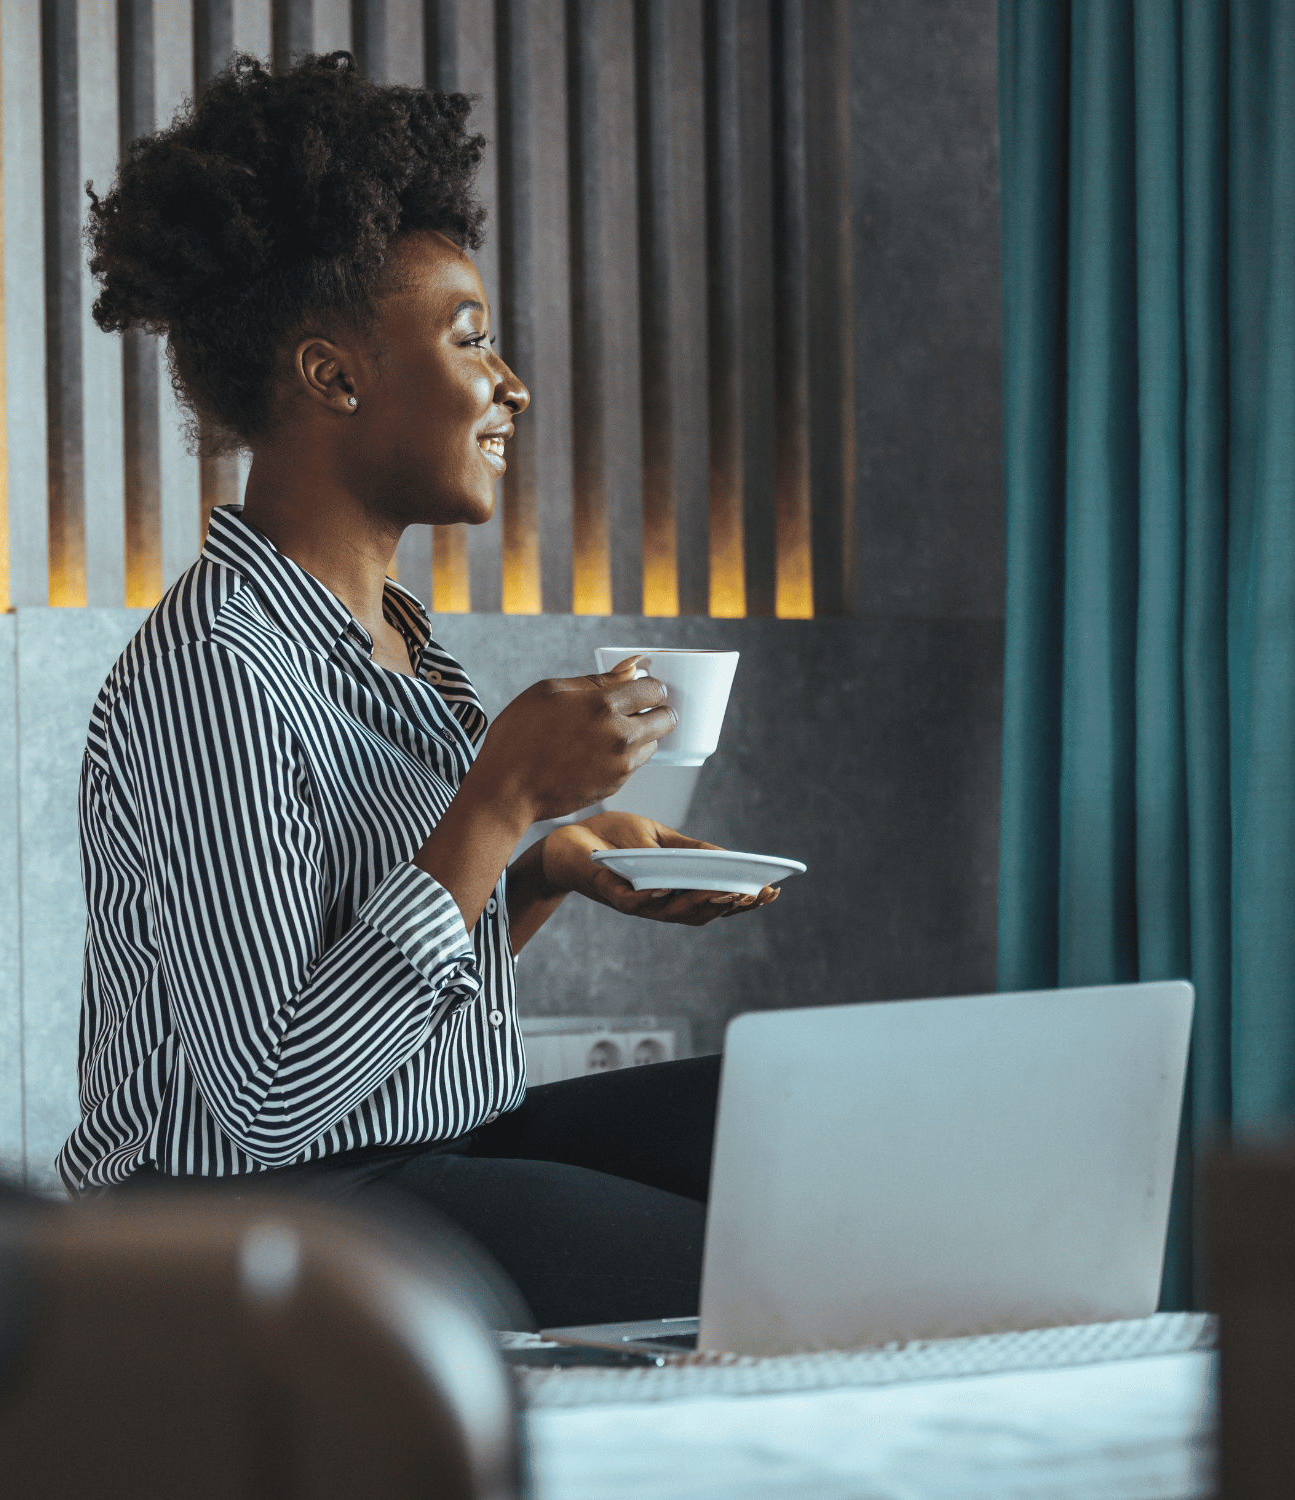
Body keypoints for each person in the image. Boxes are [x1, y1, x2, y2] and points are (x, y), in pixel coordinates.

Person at [56, 52, 780, 1330]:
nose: (509, 384)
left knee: (800, 1128)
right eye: (470, 337)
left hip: (406, 1150)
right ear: (333, 376)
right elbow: (272, 1090)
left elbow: (373, 991)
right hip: (242, 1212)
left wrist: (544, 869)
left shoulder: (392, 637)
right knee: (773, 1267)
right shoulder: (217, 675)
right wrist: (500, 802)